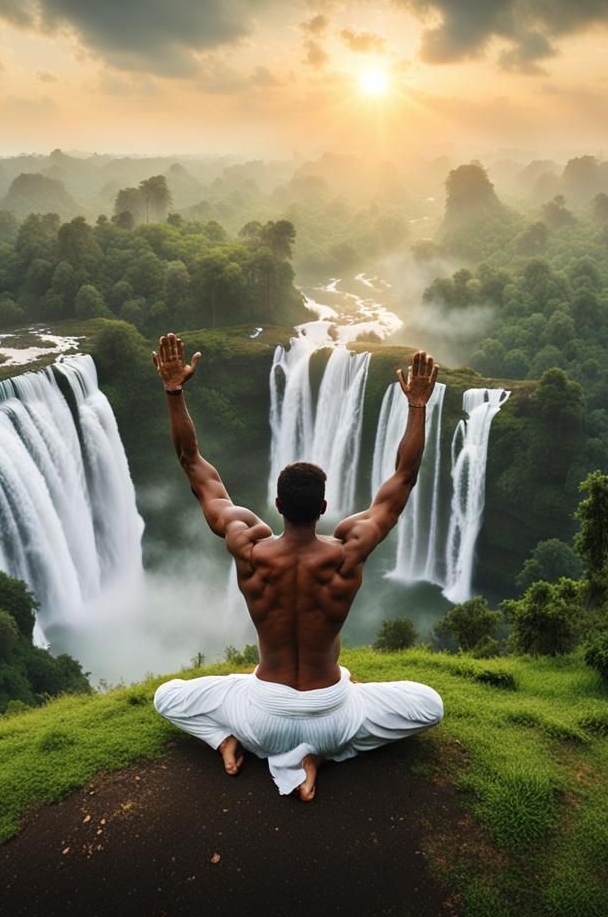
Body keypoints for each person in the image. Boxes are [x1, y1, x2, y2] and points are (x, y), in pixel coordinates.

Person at [151, 332, 444, 801]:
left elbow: (193, 464)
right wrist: (417, 405)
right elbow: (404, 477)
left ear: (277, 504)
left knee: (167, 697)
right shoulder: (349, 551)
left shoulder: (248, 547)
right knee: (430, 705)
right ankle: (321, 755)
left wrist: (173, 391)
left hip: (260, 714)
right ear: (325, 506)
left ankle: (226, 740)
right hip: (331, 712)